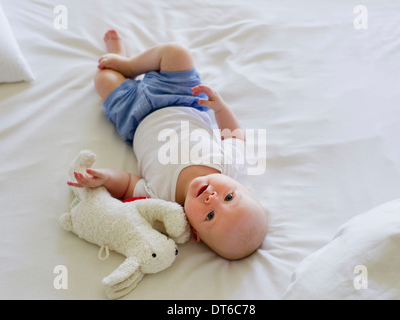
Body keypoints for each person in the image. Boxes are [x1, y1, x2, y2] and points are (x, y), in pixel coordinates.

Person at [67, 29, 267, 260]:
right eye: (229, 197)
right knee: (176, 52)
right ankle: (130, 65)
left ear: (194, 230)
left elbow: (128, 185)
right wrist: (221, 109)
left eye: (210, 216)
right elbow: (235, 136)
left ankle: (117, 57)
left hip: (134, 117)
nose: (212, 199)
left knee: (104, 78)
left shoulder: (163, 198)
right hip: (181, 98)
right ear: (244, 189)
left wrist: (105, 178)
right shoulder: (229, 164)